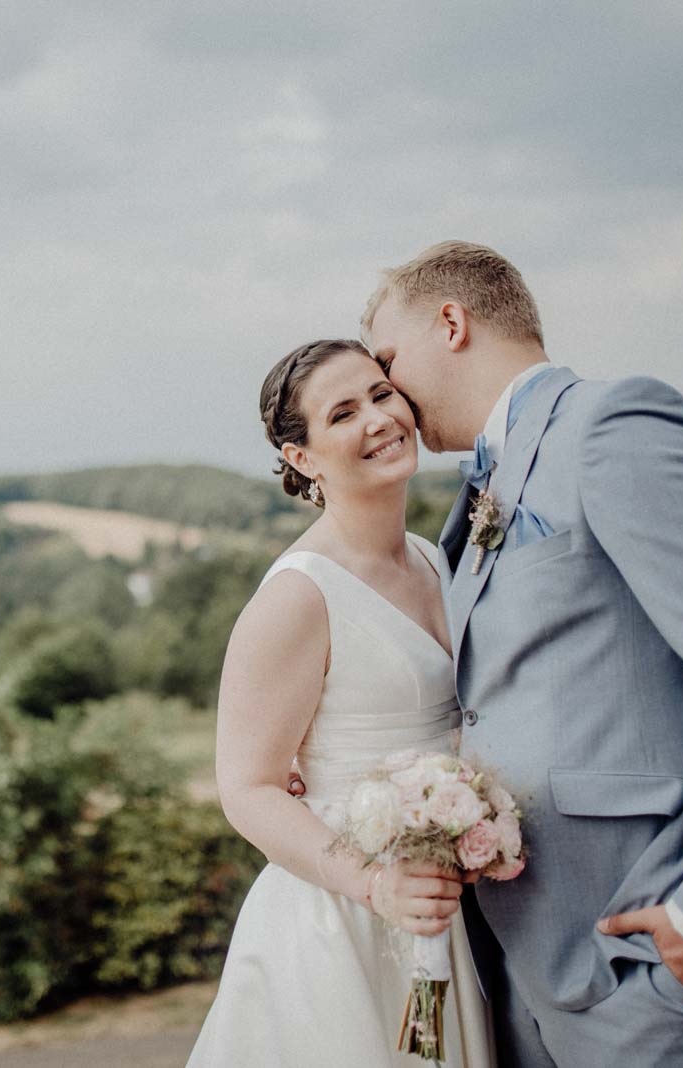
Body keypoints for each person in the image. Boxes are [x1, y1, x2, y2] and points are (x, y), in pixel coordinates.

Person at [359, 240, 683, 1067]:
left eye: (387, 361)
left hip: (644, 962)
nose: (386, 394)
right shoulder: (484, 488)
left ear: (451, 322)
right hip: (521, 970)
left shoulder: (612, 424)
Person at [187, 339, 495, 1067]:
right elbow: (249, 788)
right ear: (303, 460)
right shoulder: (298, 595)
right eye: (343, 413)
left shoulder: (430, 558)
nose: (379, 420)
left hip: (447, 905)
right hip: (345, 921)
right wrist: (376, 885)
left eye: (382, 395)